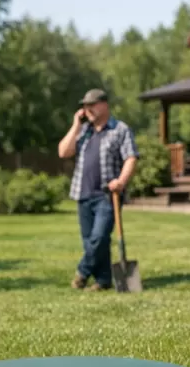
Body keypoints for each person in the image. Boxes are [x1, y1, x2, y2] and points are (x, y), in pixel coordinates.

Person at [58, 88, 139, 291]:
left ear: (104, 105)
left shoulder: (120, 129)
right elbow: (63, 152)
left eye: (92, 105)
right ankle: (103, 280)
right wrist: (76, 124)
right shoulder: (83, 131)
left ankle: (82, 272)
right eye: (85, 106)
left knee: (99, 237)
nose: (88, 109)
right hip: (83, 193)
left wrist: (121, 181)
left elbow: (131, 158)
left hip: (107, 195)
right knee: (90, 241)